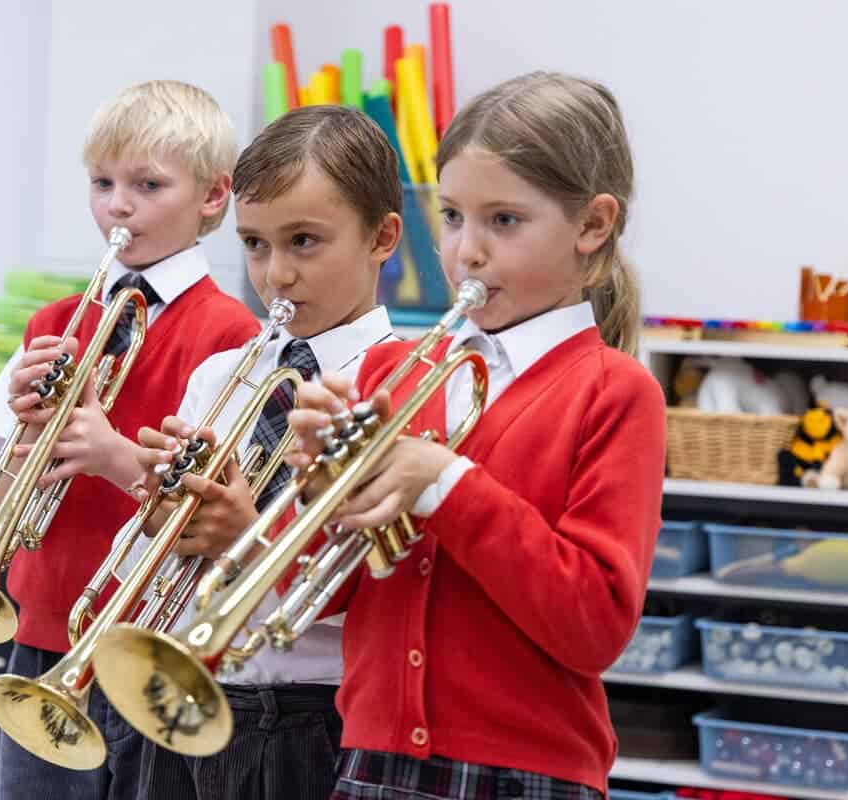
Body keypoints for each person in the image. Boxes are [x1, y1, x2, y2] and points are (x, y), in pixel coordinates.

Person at [285, 72, 667, 800]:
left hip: (526, 774)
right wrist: (317, 489)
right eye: (453, 216)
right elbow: (316, 595)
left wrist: (445, 485)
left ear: (591, 226)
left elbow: (593, 626)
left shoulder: (614, 391)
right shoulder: (392, 369)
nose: (466, 252)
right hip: (370, 757)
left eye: (504, 221)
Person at [0, 79, 260, 799]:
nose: (116, 206)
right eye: (101, 183)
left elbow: (208, 513)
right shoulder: (53, 322)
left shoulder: (233, 334)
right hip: (41, 627)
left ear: (213, 197)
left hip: (144, 636)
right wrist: (26, 429)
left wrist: (112, 456)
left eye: (147, 184)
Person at [129, 104, 404, 800]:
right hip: (187, 689)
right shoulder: (220, 376)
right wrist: (165, 510)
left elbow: (391, 584)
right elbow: (164, 550)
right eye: (254, 244)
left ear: (383, 237)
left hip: (312, 712)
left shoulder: (403, 382)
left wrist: (249, 534)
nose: (274, 274)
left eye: (303, 241)